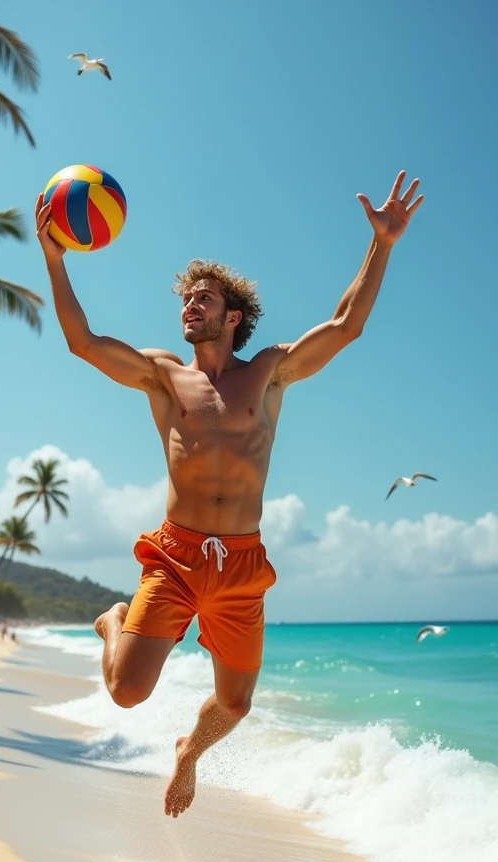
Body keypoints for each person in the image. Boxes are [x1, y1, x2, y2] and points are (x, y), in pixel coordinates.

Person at [36, 170, 424, 817]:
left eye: (204, 298)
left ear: (232, 315)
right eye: (186, 298)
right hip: (177, 554)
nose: (190, 304)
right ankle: (114, 620)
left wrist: (381, 243)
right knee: (127, 692)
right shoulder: (162, 376)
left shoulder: (270, 372)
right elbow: (82, 342)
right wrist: (55, 259)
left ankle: (190, 753)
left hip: (241, 562)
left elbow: (345, 325)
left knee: (237, 703)